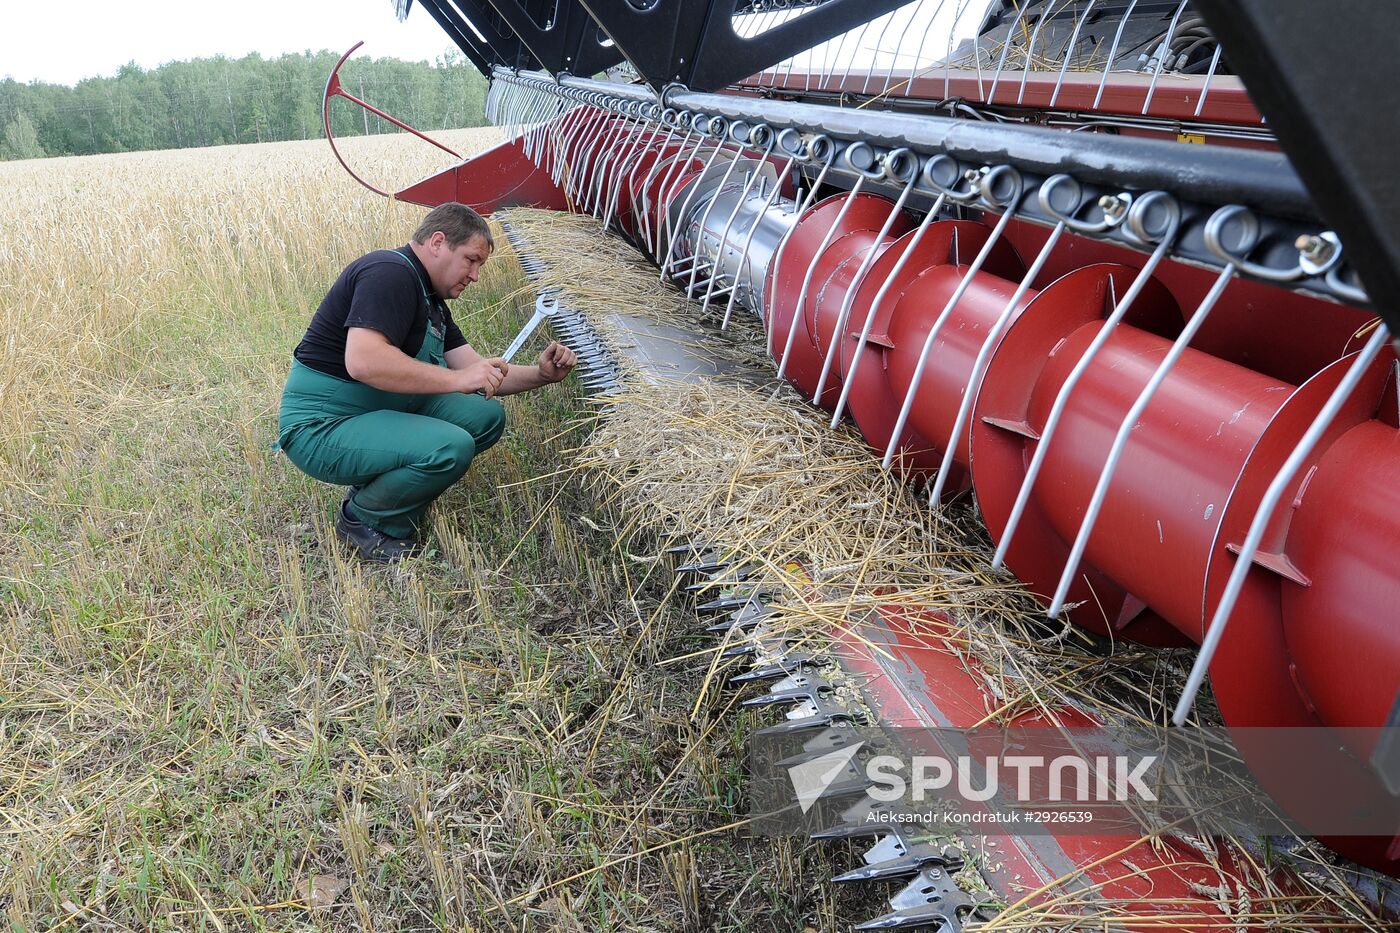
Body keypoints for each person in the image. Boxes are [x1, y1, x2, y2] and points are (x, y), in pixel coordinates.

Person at [276, 202, 576, 561]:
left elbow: (478, 372)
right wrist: (457, 379)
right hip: (322, 425)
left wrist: (541, 375)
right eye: (471, 259)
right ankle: (364, 521)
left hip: (374, 408)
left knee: (485, 416)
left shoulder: (430, 299)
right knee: (450, 446)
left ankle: (380, 488)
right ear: (437, 242)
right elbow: (363, 361)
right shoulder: (387, 273)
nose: (475, 275)